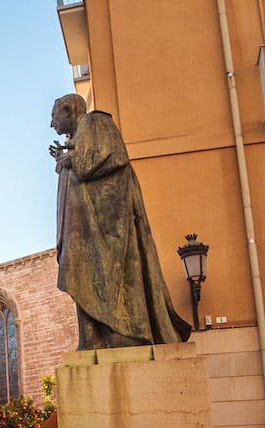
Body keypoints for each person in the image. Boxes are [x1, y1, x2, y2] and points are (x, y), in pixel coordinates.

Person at [50, 93, 191, 351]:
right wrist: (65, 159)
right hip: (84, 227)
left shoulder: (96, 122)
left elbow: (108, 158)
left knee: (100, 275)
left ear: (69, 110)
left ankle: (121, 331)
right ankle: (91, 338)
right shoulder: (81, 135)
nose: (52, 124)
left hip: (103, 228)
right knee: (80, 274)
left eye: (54, 115)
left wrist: (71, 159)